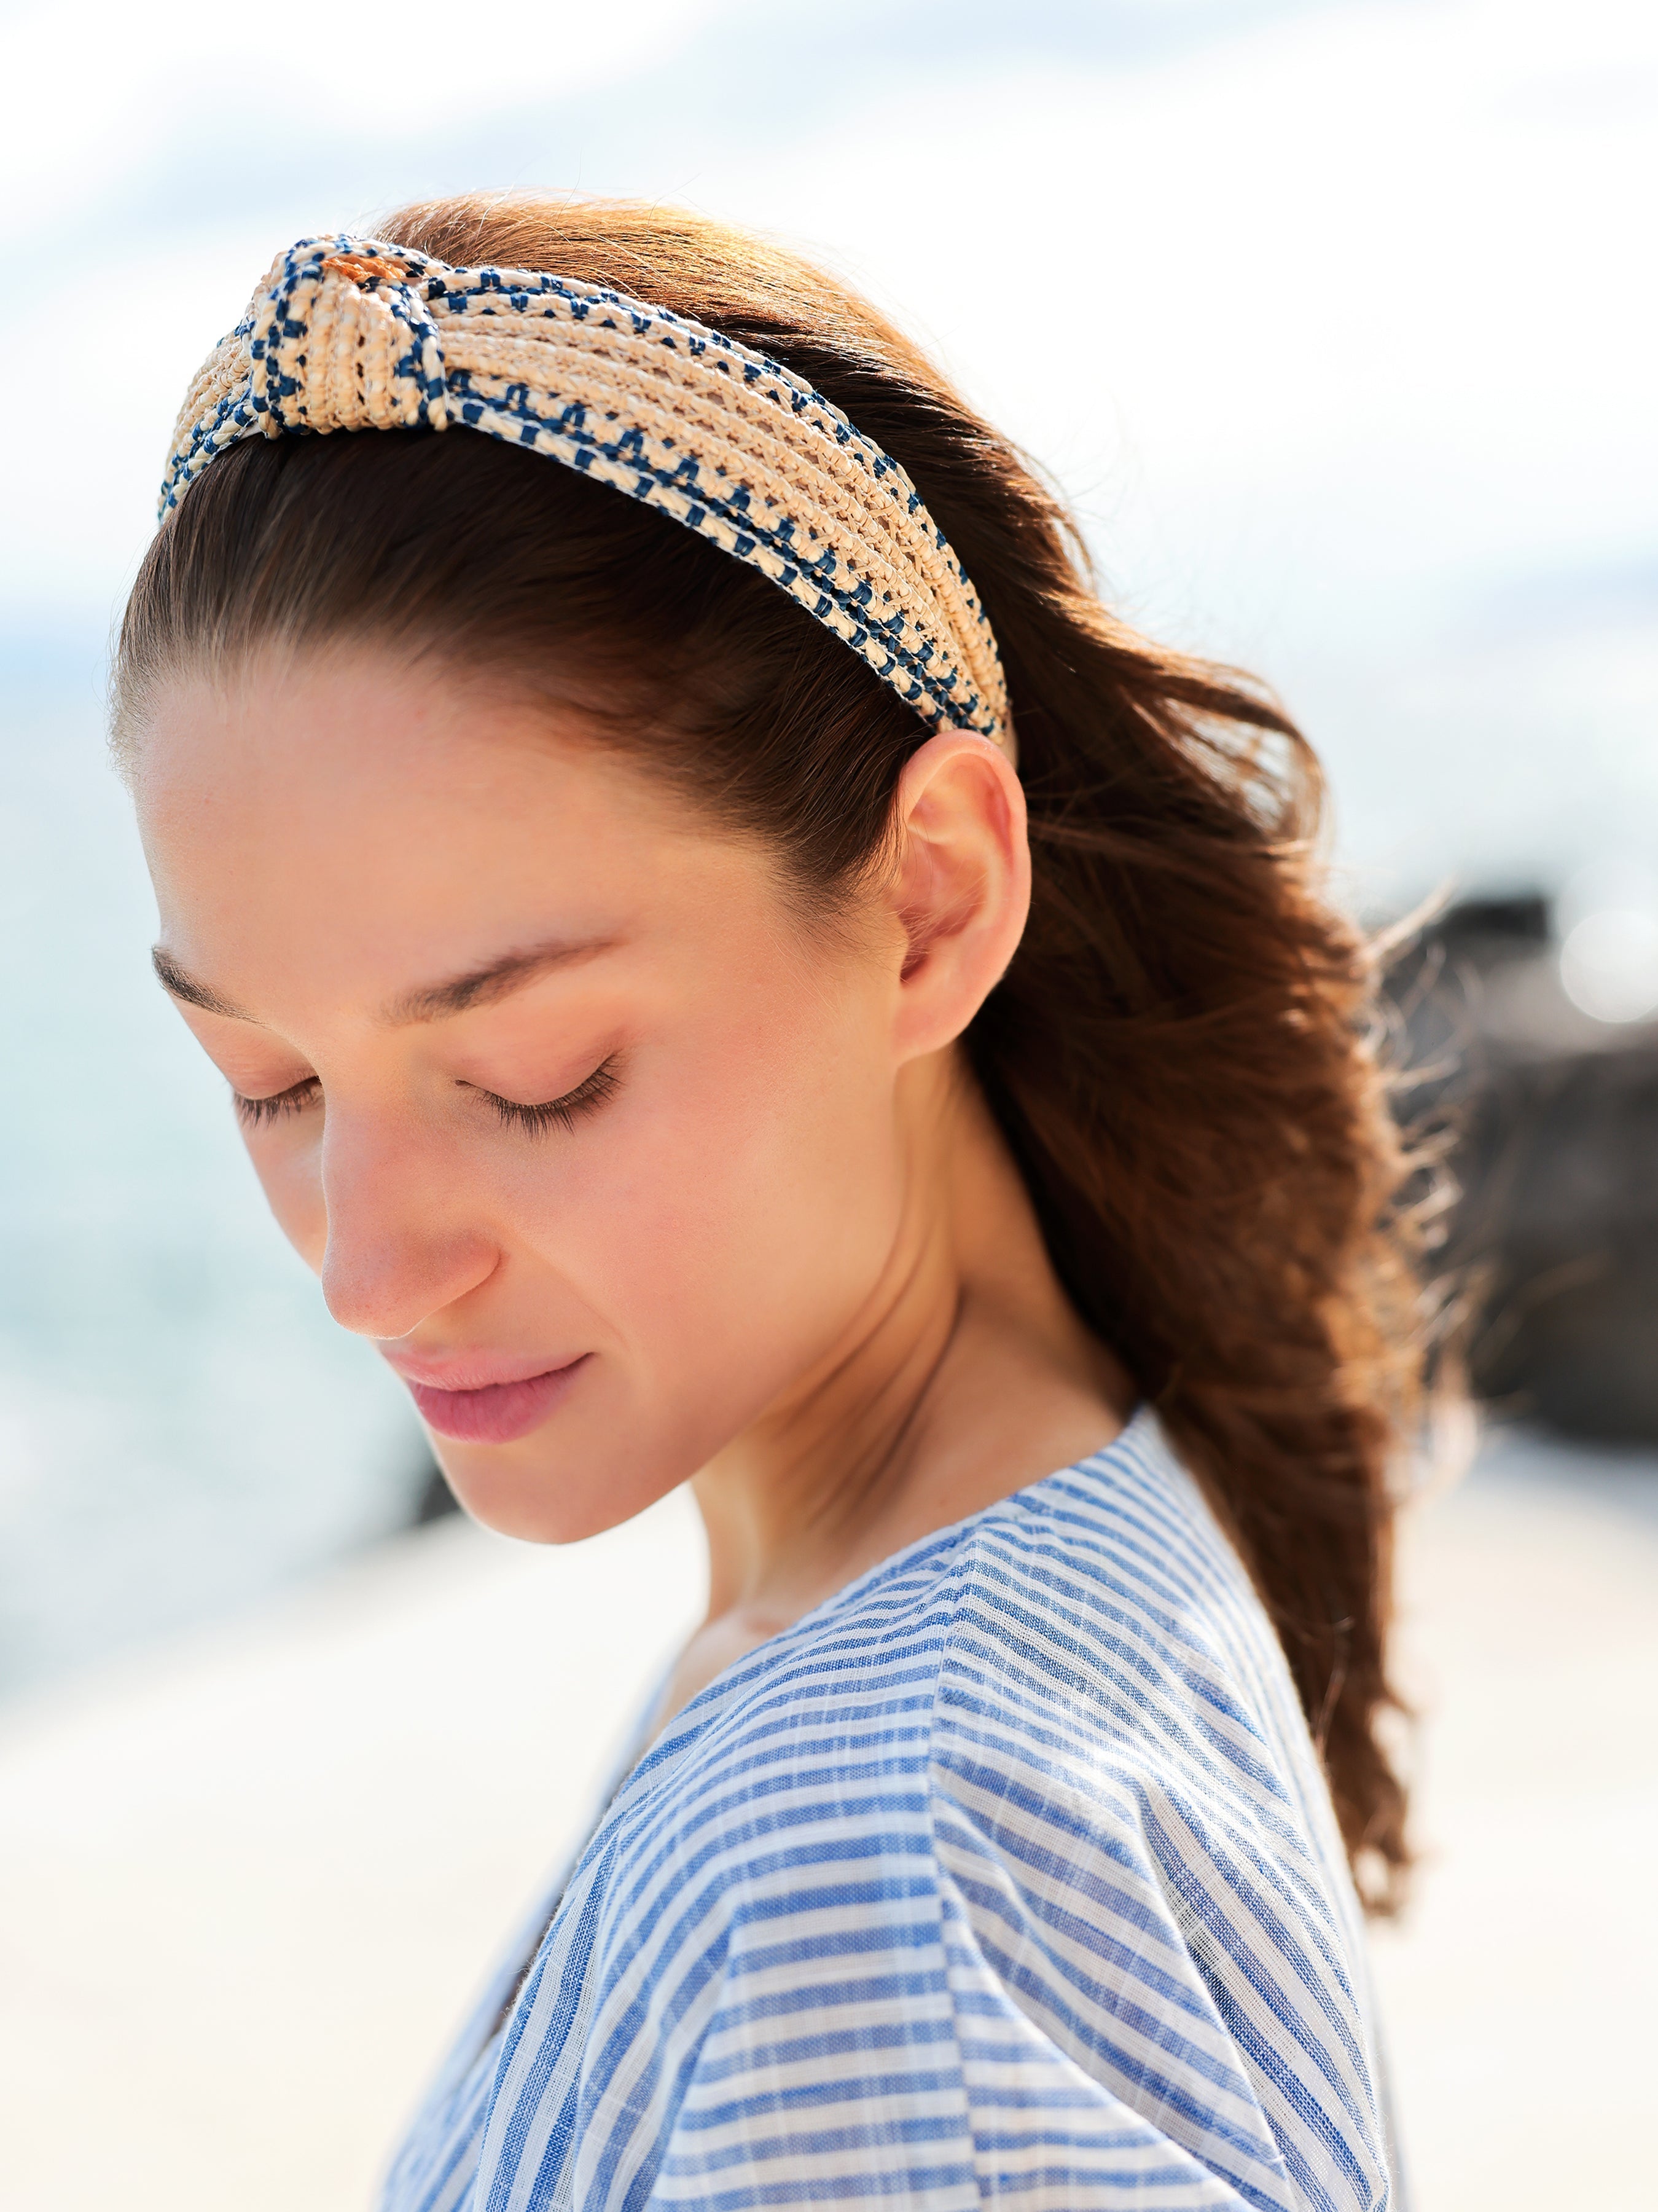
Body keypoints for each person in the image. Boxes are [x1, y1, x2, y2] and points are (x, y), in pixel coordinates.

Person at [115, 195, 1422, 2210]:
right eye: (269, 1084)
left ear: (927, 903)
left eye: (537, 1075)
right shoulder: (987, 1578)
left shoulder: (874, 1878)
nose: (368, 1271)